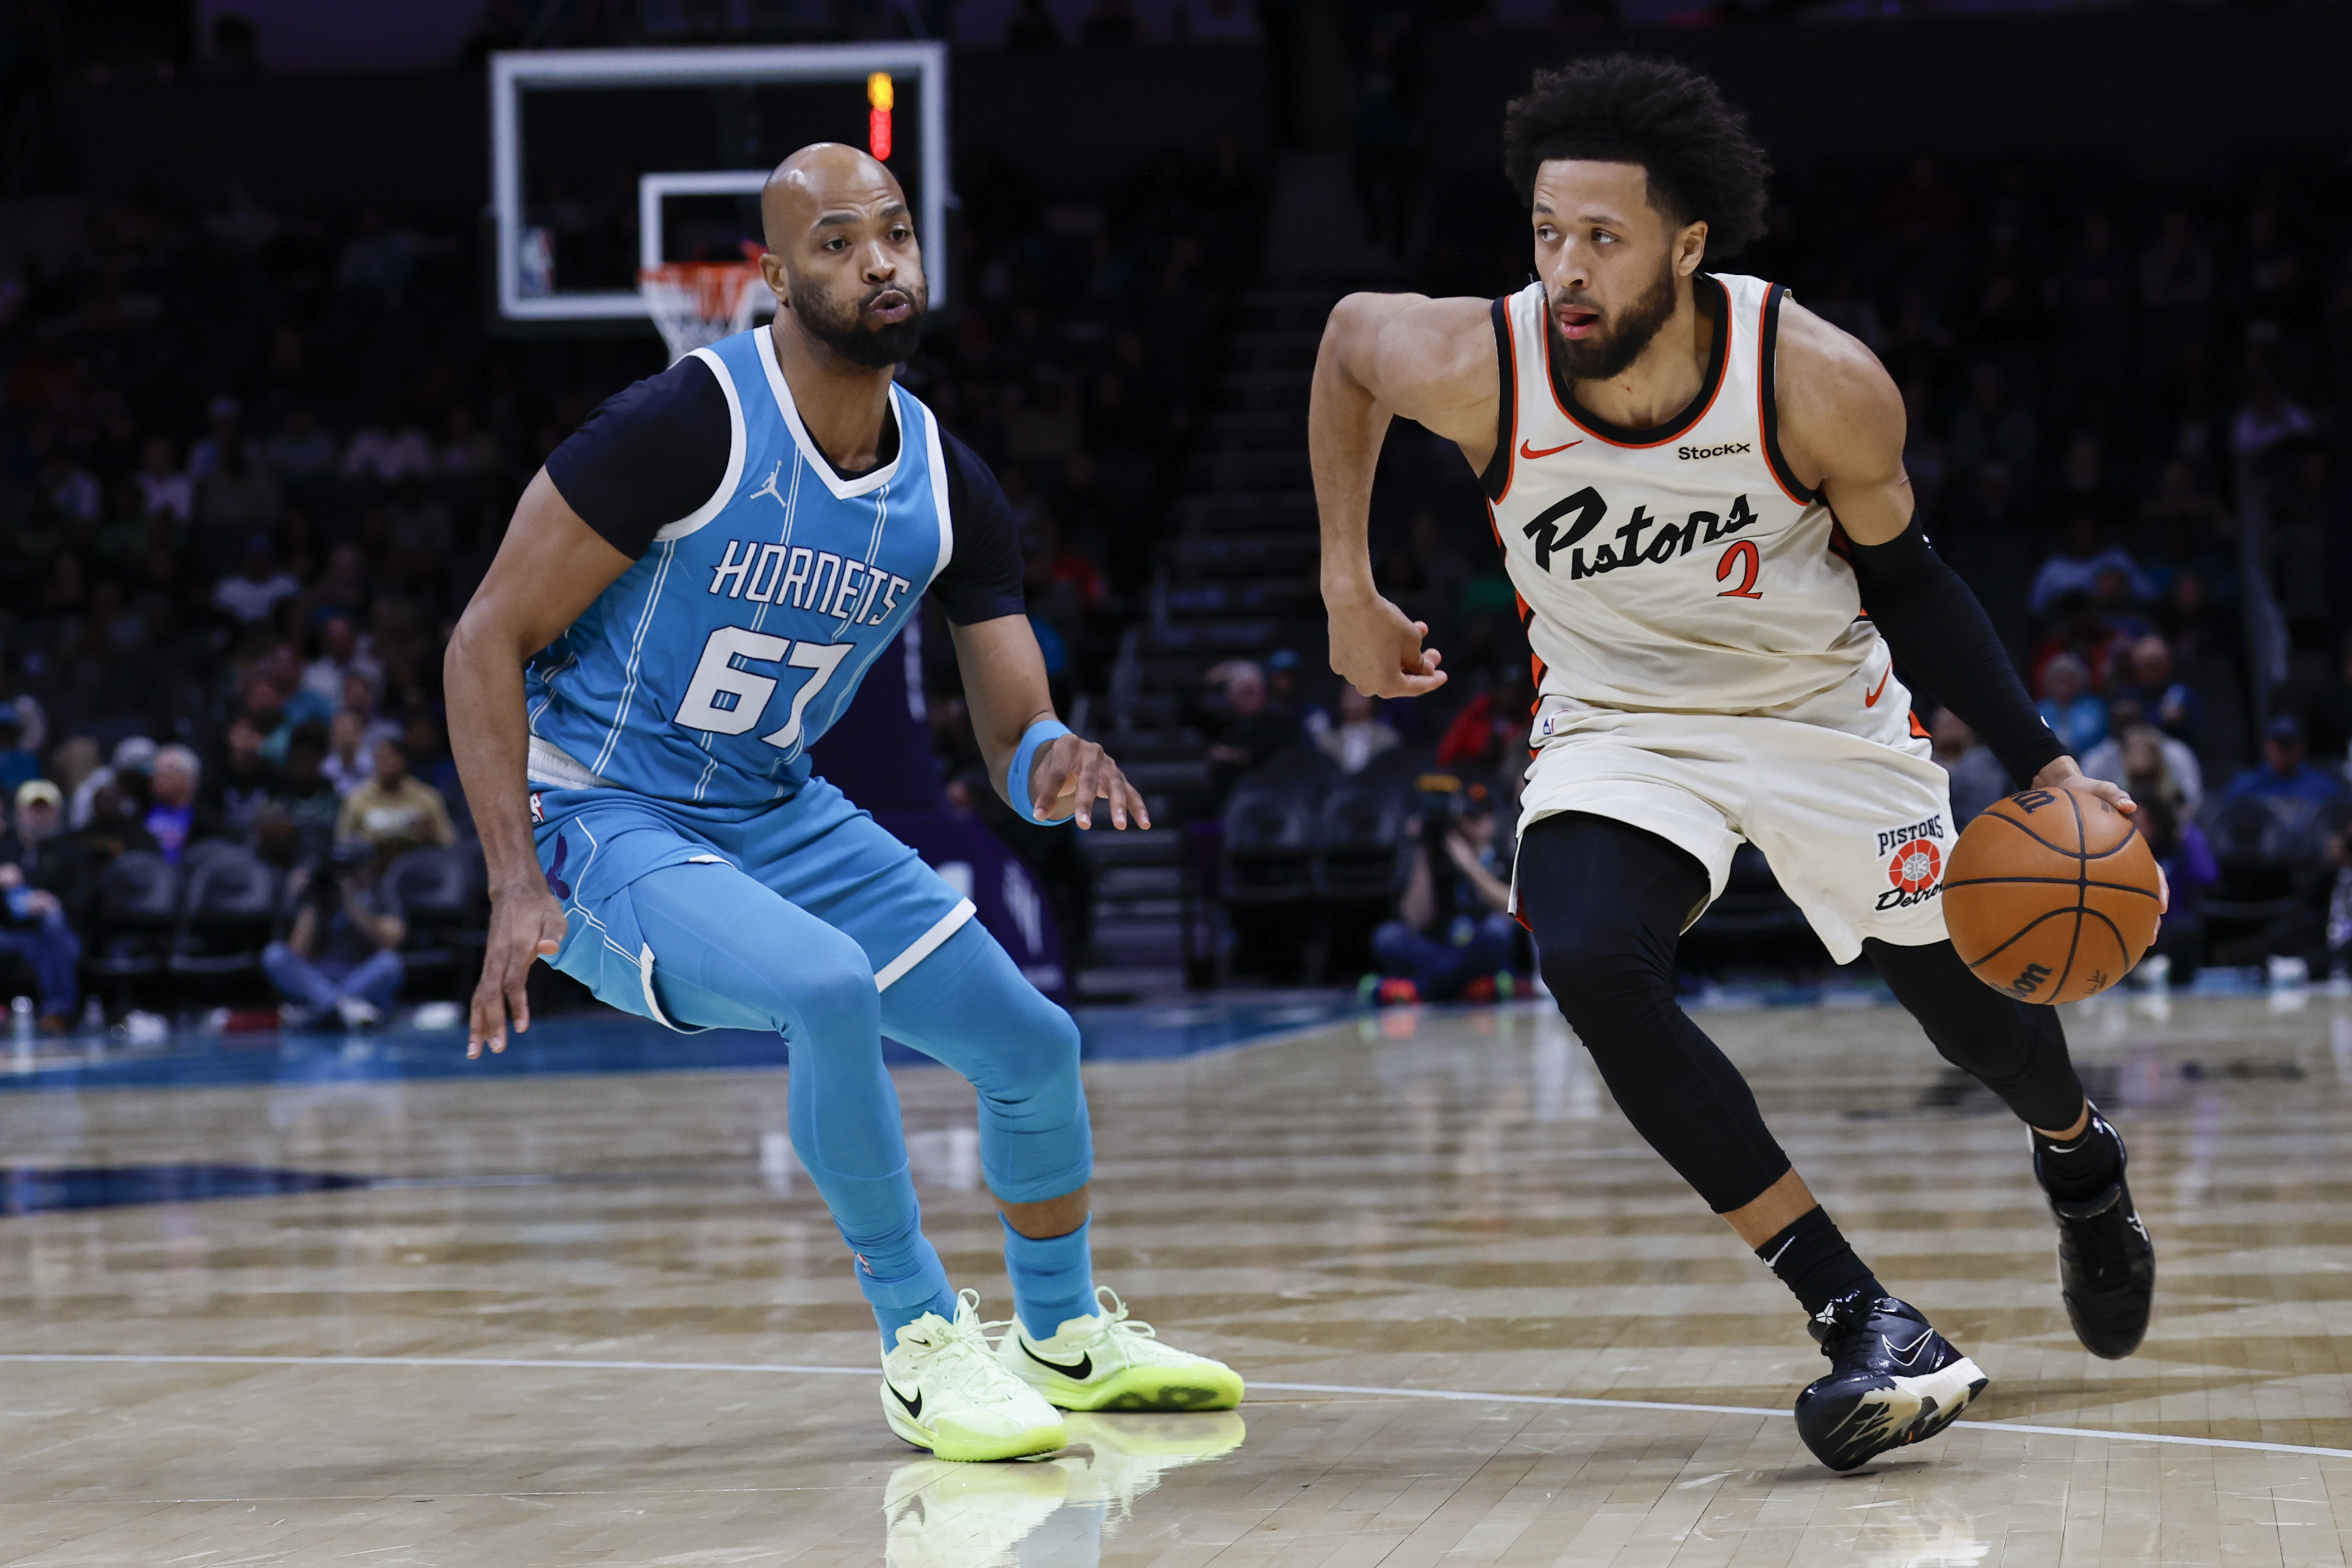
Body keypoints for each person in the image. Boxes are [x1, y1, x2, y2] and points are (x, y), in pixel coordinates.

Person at [1307, 55, 2160, 1474]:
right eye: (1543, 232)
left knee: (1979, 1024)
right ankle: (1858, 1313)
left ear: (1688, 245)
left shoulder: (1814, 381)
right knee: (1583, 953)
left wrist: (2043, 760)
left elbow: (1913, 584)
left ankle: (2079, 1159)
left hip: (1820, 715)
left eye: (1602, 237)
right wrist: (1343, 578)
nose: (1563, 268)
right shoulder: (1480, 361)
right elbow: (1345, 343)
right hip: (1622, 725)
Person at [443, 143, 1240, 1465]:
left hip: (771, 805)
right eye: (835, 242)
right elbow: (483, 635)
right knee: (825, 985)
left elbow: (1008, 726)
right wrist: (515, 878)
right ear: (770, 277)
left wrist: (1053, 756)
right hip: (598, 812)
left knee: (1032, 1045)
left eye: (893, 234)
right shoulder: (681, 424)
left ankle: (1059, 1333)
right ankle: (922, 1339)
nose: (876, 261)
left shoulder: (945, 485)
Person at [1371, 781, 1518, 1001]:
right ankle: (1466, 987)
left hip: (1478, 944)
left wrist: (1470, 866)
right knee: (1388, 936)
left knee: (1497, 932)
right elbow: (1416, 919)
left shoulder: (1504, 857)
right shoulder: (1435, 857)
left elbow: (1513, 909)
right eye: (1469, 817)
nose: (1476, 824)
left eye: (1482, 817)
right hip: (1442, 946)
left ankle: (1419, 989)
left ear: (1494, 821)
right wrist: (1424, 851)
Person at [263, 840, 407, 1029]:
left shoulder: (381, 892)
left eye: (352, 868)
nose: (346, 875)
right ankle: (339, 1007)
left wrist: (351, 902)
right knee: (274, 955)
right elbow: (297, 952)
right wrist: (314, 900)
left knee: (390, 963)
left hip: (361, 974)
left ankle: (322, 1010)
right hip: (319, 978)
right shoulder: (319, 895)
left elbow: (392, 940)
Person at [0, 781, 80, 1031]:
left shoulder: (72, 851)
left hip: (59, 935)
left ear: (58, 812)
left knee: (53, 922)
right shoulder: (6, 851)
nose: (39, 816)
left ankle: (57, 1011)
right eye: (33, 809)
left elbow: (86, 899)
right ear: (19, 813)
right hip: (12, 932)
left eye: (45, 809)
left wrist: (51, 902)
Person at [337, 738, 455, 851]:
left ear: (404, 760)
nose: (386, 761)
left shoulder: (427, 797)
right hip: (372, 863)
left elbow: (448, 840)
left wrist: (429, 834)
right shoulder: (358, 798)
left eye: (392, 756)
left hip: (417, 861)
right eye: (380, 757)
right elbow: (343, 842)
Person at [1928, 708, 2008, 826]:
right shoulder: (1925, 763)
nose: (1949, 728)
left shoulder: (1986, 762)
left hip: (1988, 829)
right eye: (1943, 723)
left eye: (1954, 723)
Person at [2035, 652, 2108, 757]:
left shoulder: (2094, 707)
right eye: (2058, 679)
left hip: (2087, 756)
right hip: (2050, 758)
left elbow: (2097, 735)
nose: (2063, 685)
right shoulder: (2040, 709)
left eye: (2068, 679)